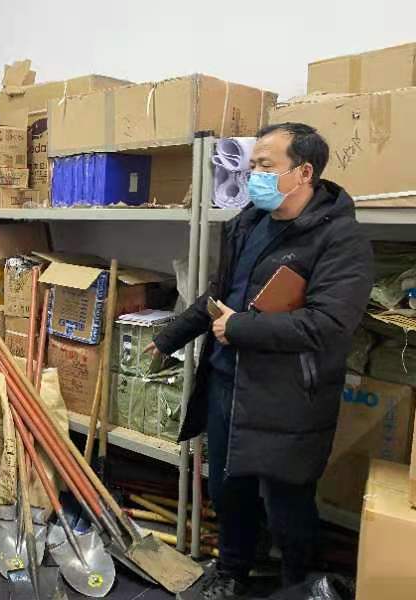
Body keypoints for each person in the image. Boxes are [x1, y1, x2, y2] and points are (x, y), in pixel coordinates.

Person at [146, 123, 374, 600]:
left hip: (289, 393)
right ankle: (232, 571)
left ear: (304, 172)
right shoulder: (247, 223)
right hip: (229, 382)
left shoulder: (340, 238)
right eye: (252, 167)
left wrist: (241, 329)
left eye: (265, 166)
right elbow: (219, 296)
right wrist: (171, 336)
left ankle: (300, 585)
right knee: (229, 488)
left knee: (288, 498)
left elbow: (329, 323)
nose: (253, 177)